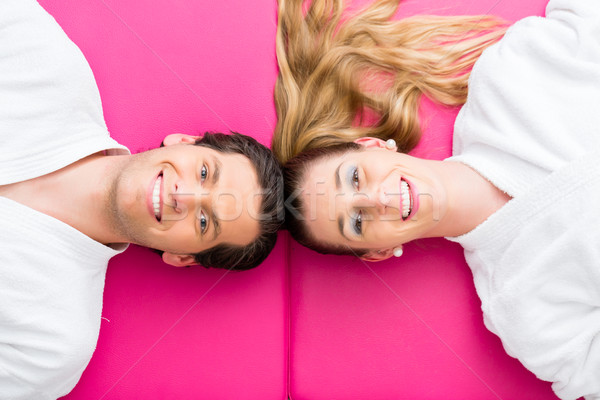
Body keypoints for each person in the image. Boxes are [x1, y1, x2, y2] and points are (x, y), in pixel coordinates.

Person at [277, 0, 600, 398]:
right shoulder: (523, 312)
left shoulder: (510, 77)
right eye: (357, 221)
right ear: (378, 250)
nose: (378, 199)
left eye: (356, 176)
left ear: (374, 145)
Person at [0, 0, 283, 398]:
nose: (183, 195)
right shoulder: (43, 62)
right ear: (183, 141)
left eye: (204, 222)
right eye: (204, 173)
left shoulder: (53, 347)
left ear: (182, 257)